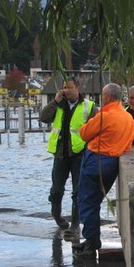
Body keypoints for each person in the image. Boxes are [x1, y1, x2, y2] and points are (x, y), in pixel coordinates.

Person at [73, 83, 134, 258]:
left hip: (95, 161)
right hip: (112, 164)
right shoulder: (127, 117)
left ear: (107, 97)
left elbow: (84, 134)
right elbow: (128, 143)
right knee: (95, 201)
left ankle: (92, 245)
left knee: (87, 203)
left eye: (102, 95)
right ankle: (91, 240)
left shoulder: (105, 116)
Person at [40, 77, 95, 237]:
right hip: (60, 154)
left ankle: (75, 223)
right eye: (63, 87)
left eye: (68, 87)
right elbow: (44, 118)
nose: (65, 90)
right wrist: (54, 102)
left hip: (79, 154)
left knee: (78, 191)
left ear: (77, 88)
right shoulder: (58, 105)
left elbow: (96, 129)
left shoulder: (88, 106)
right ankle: (57, 215)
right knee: (57, 189)